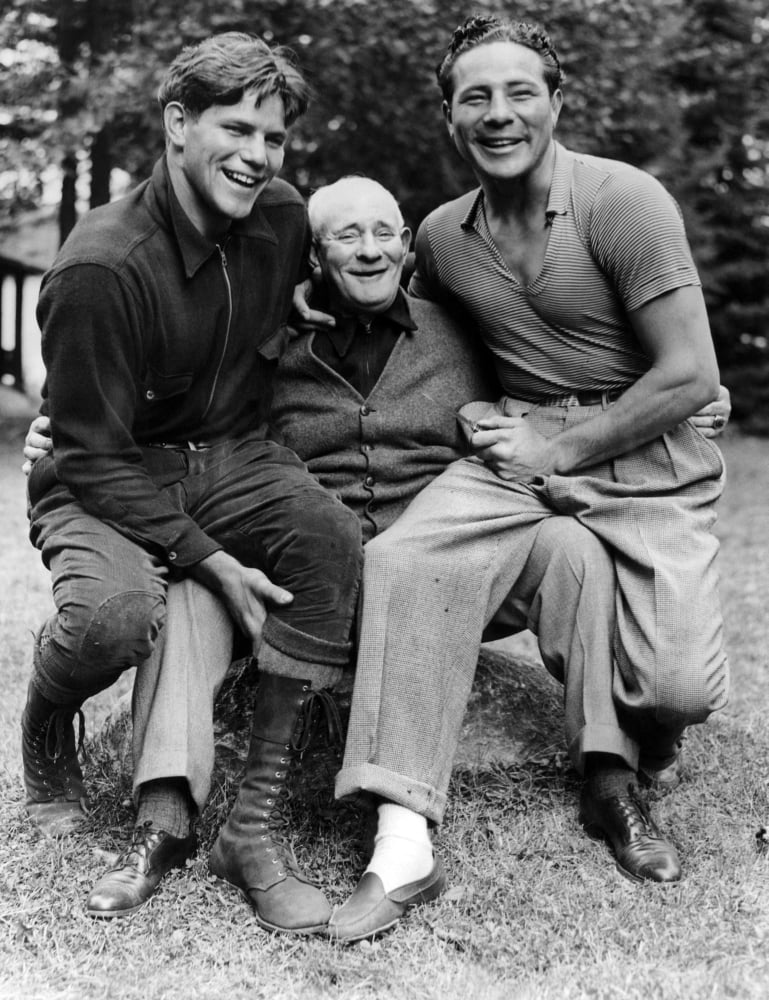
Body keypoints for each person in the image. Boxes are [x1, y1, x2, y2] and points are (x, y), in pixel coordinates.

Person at [24, 165, 731, 934]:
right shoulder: (265, 340)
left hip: (446, 572)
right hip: (300, 581)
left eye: (385, 231)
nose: (369, 251)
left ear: (408, 245)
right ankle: (162, 819)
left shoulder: (463, 329)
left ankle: (608, 778)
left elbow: (566, 374)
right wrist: (51, 426)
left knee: (569, 548)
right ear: (312, 259)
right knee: (194, 586)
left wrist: (692, 404)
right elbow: (160, 397)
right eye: (344, 236)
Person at [328, 14, 730, 941]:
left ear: (556, 101)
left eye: (519, 92)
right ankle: (401, 842)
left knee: (677, 690)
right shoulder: (439, 233)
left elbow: (689, 376)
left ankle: (623, 762)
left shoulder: (622, 200)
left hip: (645, 458)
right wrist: (312, 306)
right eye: (475, 96)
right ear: (448, 116)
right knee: (405, 561)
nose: (498, 113)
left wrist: (564, 450)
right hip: (516, 450)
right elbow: (412, 327)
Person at [21, 33, 363, 935]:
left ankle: (247, 827)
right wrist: (208, 559)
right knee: (115, 617)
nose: (256, 156)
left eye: (275, 138)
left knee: (328, 539)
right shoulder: (101, 266)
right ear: (177, 123)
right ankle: (49, 716)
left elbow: (361, 265)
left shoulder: (282, 218)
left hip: (232, 454)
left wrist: (300, 300)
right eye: (235, 127)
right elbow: (88, 454)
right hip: (109, 471)